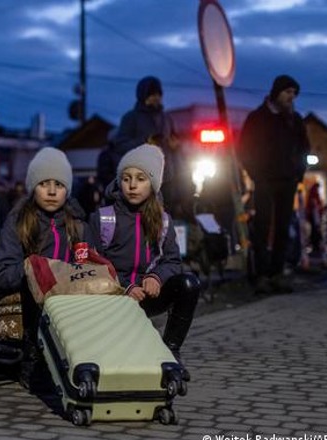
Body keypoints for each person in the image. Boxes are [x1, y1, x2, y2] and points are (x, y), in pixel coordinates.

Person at [89, 144, 199, 381]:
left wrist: (156, 277)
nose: (132, 185)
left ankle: (170, 351)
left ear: (153, 184)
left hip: (147, 294)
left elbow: (171, 260)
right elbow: (92, 263)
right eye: (126, 178)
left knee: (188, 283)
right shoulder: (103, 218)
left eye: (140, 178)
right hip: (113, 297)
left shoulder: (163, 221)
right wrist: (125, 286)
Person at [0, 147, 95, 388]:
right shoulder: (19, 221)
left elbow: (88, 266)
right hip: (28, 303)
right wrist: (33, 270)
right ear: (32, 187)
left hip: (67, 306)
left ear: (67, 190)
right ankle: (25, 354)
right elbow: (3, 273)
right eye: (43, 183)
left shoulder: (78, 225)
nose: (50, 191)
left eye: (58, 185)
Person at [238, 75, 310, 294]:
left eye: (294, 94)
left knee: (283, 228)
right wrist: (256, 173)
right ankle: (261, 274)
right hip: (265, 180)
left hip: (287, 181)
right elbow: (244, 149)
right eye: (288, 92)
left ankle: (277, 273)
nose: (291, 97)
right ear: (277, 92)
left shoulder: (294, 119)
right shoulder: (257, 118)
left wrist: (298, 173)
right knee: (262, 226)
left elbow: (304, 149)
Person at [113, 76, 185, 218]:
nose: (156, 98)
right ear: (143, 95)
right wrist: (144, 142)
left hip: (167, 178)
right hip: (142, 178)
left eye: (158, 95)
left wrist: (175, 146)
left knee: (165, 219)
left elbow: (176, 142)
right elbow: (120, 145)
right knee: (143, 219)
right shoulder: (131, 118)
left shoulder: (167, 118)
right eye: (152, 94)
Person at [305, 182, 323, 257]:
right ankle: (316, 245)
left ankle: (316, 245)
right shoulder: (314, 195)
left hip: (315, 216)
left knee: (315, 231)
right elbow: (315, 206)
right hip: (315, 217)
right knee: (315, 231)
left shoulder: (313, 195)